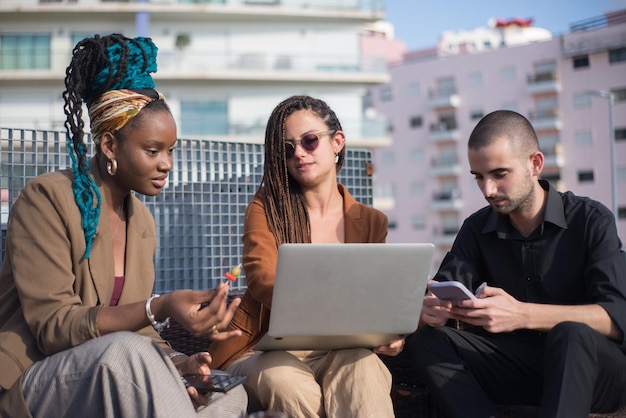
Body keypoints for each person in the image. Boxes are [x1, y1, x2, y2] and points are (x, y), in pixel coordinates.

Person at [0, 34, 247, 417]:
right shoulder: (46, 199)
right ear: (110, 146)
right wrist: (161, 305)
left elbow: (142, 332)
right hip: (34, 380)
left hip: (111, 367)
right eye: (152, 150)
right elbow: (53, 328)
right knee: (123, 353)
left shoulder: (142, 222)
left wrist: (179, 364)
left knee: (229, 394)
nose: (166, 163)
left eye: (170, 150)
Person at [405, 109, 626, 417]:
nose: (487, 190)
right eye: (479, 177)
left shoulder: (591, 219)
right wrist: (428, 311)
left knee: (572, 334)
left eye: (499, 174)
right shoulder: (476, 228)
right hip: (519, 366)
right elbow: (443, 292)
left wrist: (522, 314)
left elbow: (618, 318)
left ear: (535, 163)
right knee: (426, 341)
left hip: (596, 373)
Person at [208, 95, 403, 418]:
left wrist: (388, 332)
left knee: (366, 369)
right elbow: (262, 279)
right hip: (267, 347)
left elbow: (373, 294)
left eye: (309, 141)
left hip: (342, 347)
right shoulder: (266, 208)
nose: (298, 152)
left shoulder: (371, 222)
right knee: (286, 383)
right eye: (287, 148)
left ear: (337, 141)